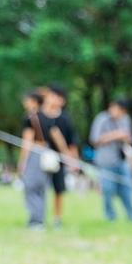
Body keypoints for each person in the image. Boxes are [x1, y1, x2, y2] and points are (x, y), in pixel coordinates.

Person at [90, 97, 132, 222]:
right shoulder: (101, 119)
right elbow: (94, 140)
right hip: (105, 161)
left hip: (121, 160)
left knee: (127, 188)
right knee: (107, 190)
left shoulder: (125, 119)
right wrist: (115, 135)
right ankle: (110, 217)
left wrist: (124, 137)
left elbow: (130, 138)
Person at [42, 85, 77, 227]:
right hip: (41, 158)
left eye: (58, 97)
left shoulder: (65, 119)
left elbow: (72, 142)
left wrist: (73, 160)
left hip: (59, 159)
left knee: (58, 190)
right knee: (41, 188)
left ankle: (57, 218)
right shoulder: (38, 115)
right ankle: (40, 216)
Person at [18, 91, 51, 229]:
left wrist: (22, 161)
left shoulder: (30, 117)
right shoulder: (47, 117)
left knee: (31, 187)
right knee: (42, 188)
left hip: (34, 154)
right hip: (47, 154)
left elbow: (27, 141)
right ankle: (40, 218)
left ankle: (35, 220)